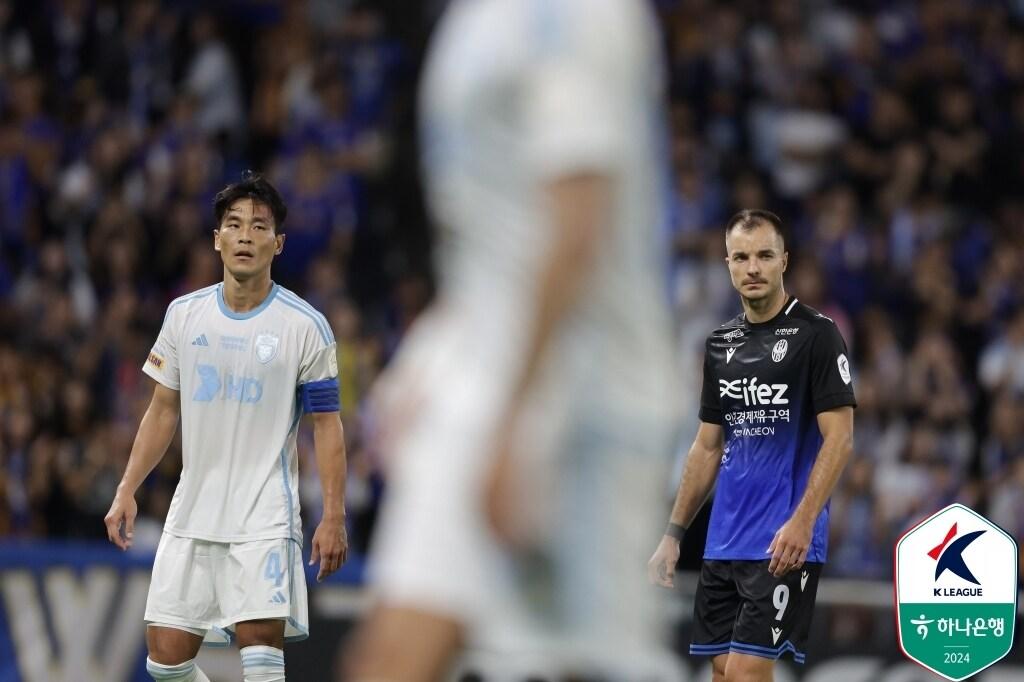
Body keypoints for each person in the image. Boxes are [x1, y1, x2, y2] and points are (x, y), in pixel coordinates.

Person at [345, 0, 682, 680]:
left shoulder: (576, 14)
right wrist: (434, 358)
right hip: (480, 387)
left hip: (580, 403)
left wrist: (516, 421)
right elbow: (490, 238)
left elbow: (577, 226)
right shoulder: (471, 22)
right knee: (388, 659)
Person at [103, 172, 348, 682]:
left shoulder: (305, 327)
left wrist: (334, 515)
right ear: (216, 239)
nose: (244, 235)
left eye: (259, 227)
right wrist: (127, 488)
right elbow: (162, 410)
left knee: (259, 651)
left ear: (277, 244)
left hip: (265, 515)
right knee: (165, 661)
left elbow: (327, 426)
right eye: (233, 225)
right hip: (194, 508)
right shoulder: (184, 316)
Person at [647, 209, 856, 682]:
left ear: (785, 260)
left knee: (745, 673)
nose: (753, 267)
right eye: (741, 257)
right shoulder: (720, 344)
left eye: (764, 255)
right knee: (723, 673)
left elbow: (840, 440)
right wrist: (674, 534)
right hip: (724, 540)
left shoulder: (816, 336)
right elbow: (706, 449)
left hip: (784, 541)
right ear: (727, 264)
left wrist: (803, 522)